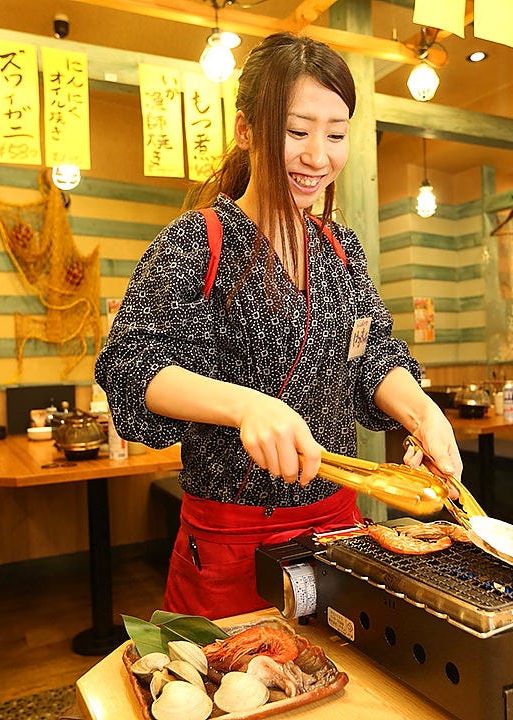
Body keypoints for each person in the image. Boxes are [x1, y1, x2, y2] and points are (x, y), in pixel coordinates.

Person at [95, 31, 462, 620]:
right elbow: (134, 369)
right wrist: (247, 407)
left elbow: (372, 357)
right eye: (297, 132)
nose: (319, 156)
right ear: (247, 131)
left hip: (340, 531)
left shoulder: (341, 250)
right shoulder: (197, 242)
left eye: (336, 134)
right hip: (229, 543)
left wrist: (421, 411)